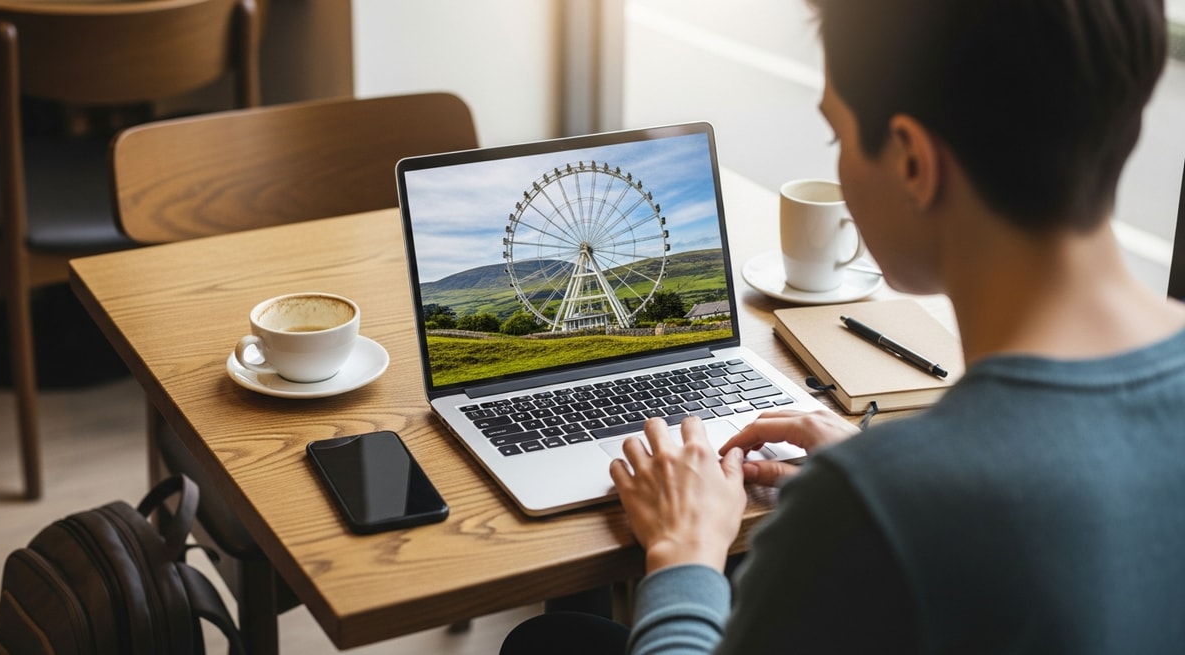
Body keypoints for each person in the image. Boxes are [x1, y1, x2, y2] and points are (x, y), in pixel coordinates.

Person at [501, 0, 1185, 652]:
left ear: (914, 162)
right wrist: (868, 476)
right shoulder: (887, 495)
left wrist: (686, 551)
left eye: (836, 133)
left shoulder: (878, 509)